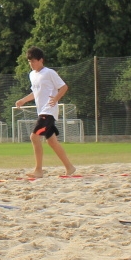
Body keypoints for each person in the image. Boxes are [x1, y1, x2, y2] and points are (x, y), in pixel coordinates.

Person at [14, 46, 78, 178]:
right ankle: (69, 167)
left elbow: (64, 87)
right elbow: (35, 92)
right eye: (29, 62)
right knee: (51, 141)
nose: (31, 64)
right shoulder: (32, 75)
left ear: (41, 60)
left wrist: (56, 98)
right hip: (41, 111)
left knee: (34, 137)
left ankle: (38, 170)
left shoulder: (49, 73)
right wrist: (23, 100)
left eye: (33, 61)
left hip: (48, 111)